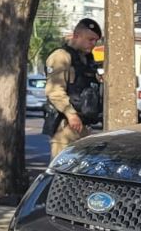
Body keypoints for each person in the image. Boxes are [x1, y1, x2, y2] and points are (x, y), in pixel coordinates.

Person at [43, 18, 103, 158]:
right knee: (61, 173)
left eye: (96, 40)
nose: (93, 44)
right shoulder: (61, 56)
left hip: (83, 126)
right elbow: (54, 91)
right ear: (76, 36)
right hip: (66, 126)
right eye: (90, 39)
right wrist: (71, 114)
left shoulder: (87, 60)